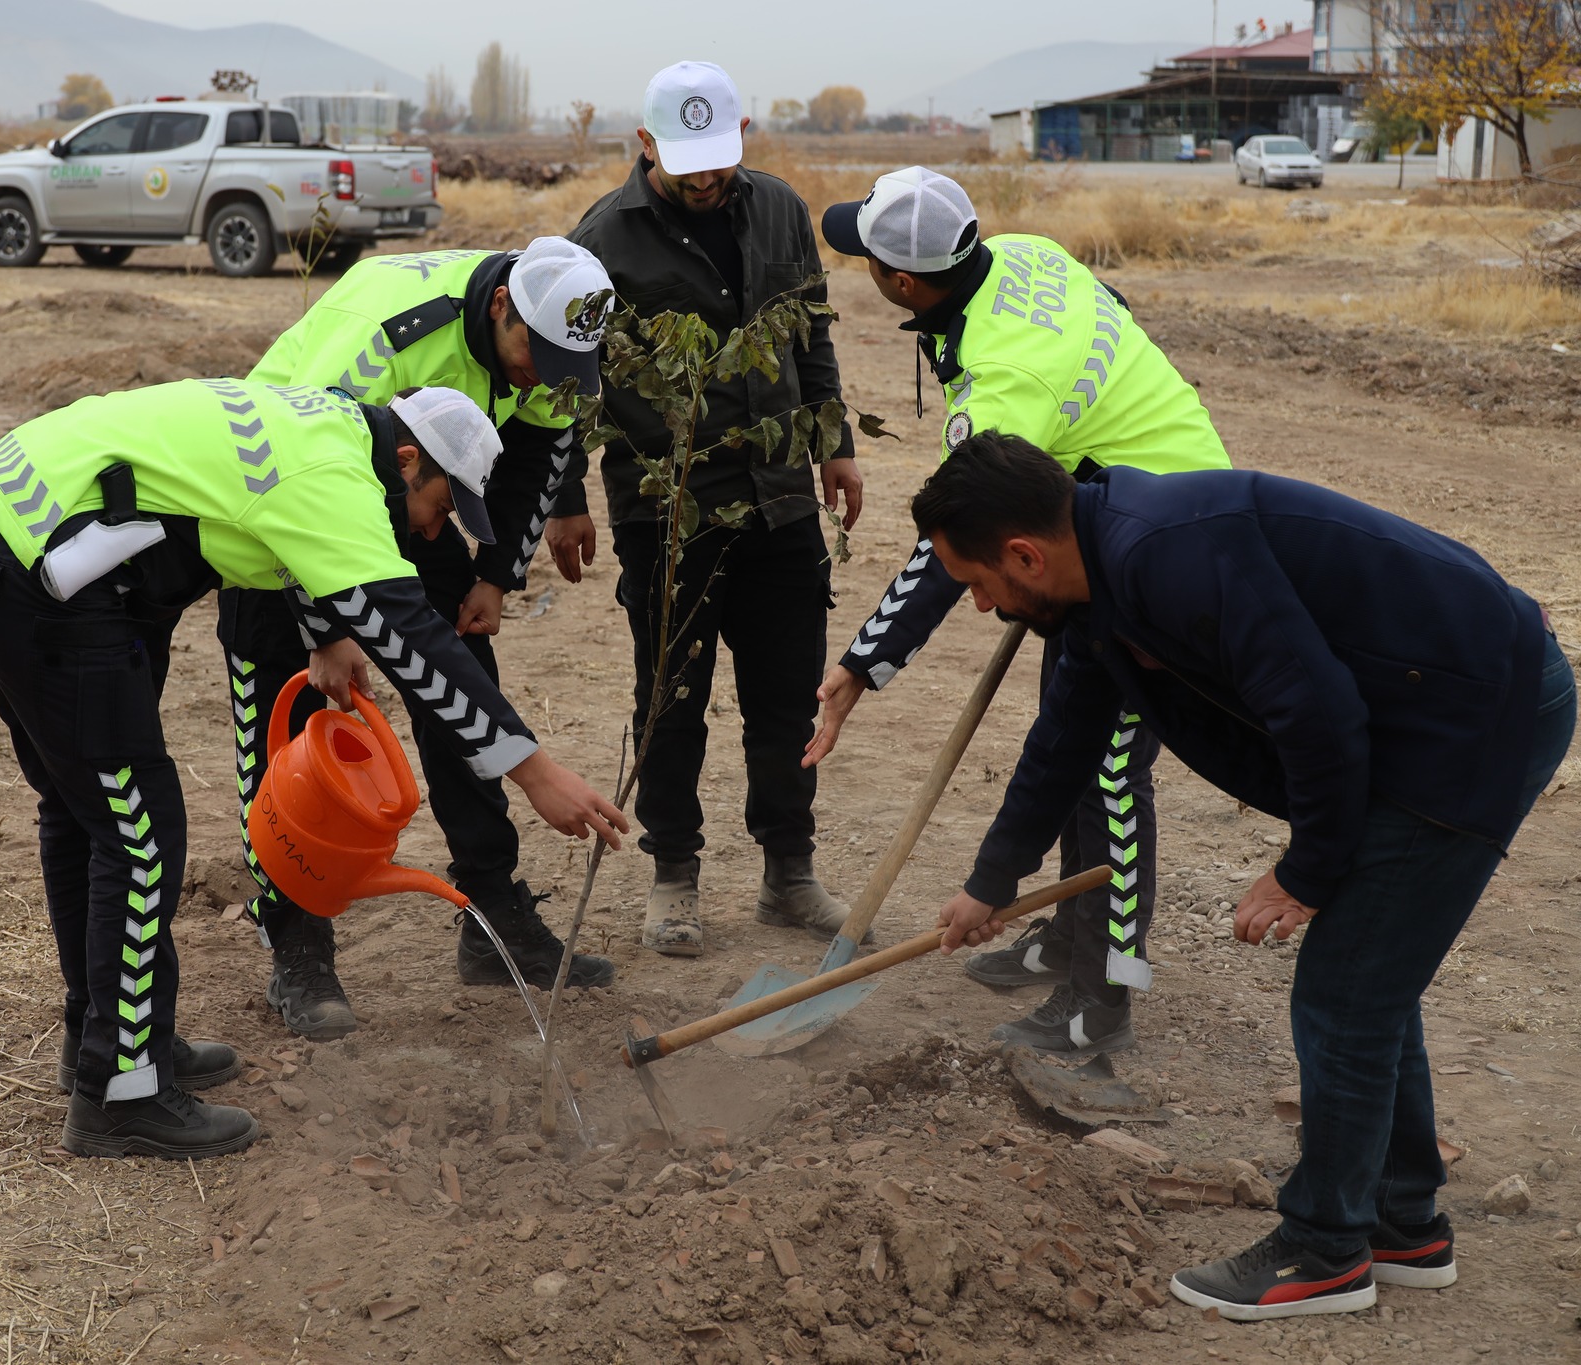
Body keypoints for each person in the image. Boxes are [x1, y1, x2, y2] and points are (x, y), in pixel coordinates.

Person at [916, 432, 1573, 1320]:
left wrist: (1305, 872)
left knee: (1346, 989)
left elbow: (1317, 713)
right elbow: (1063, 739)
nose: (982, 604)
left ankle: (1326, 1249)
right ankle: (1401, 1220)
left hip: (1476, 709)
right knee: (1370, 977)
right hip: (1426, 701)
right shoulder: (1099, 583)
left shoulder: (1166, 556)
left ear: (1025, 554)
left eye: (977, 582)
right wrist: (991, 882)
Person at [0, 380, 625, 1159]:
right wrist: (536, 772)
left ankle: (108, 1042)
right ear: (406, 461)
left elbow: (268, 519)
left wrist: (325, 632)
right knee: (137, 830)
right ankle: (120, 1094)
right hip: (34, 567)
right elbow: (415, 639)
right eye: (440, 506)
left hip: (3, 527)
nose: (435, 530)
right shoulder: (340, 480)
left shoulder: (326, 426)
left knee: (84, 809)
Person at [805, 167, 1229, 1057]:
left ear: (904, 281)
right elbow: (1111, 310)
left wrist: (863, 663)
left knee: (1109, 772)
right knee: (1068, 737)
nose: (861, 264)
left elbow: (952, 550)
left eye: (866, 258)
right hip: (1097, 526)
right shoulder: (1023, 253)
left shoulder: (1003, 386)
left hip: (1168, 554)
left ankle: (1104, 995)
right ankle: (1072, 934)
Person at [232, 236, 617, 1040]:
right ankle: (297, 941)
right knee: (290, 703)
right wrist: (326, 627)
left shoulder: (555, 337)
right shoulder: (383, 338)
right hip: (277, 503)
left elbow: (544, 445)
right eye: (533, 356)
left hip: (412, 486)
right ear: (502, 305)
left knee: (459, 674)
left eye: (562, 366)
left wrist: (495, 574)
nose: (542, 376)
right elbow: (293, 472)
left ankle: (491, 910)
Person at [563, 60, 862, 958]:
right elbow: (569, 385)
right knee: (672, 701)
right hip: (668, 511)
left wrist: (835, 441)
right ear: (645, 144)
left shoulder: (781, 210)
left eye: (720, 157)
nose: (707, 177)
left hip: (780, 498)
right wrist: (566, 498)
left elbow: (808, 332)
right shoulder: (599, 241)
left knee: (786, 698)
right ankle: (674, 876)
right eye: (686, 161)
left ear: (743, 137)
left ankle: (789, 873)